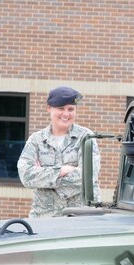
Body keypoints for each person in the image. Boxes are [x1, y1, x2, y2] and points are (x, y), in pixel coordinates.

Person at [18, 86, 101, 217]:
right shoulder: (36, 140)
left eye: (71, 109)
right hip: (45, 217)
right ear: (49, 108)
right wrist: (63, 170)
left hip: (82, 218)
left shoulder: (86, 138)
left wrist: (45, 180)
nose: (66, 114)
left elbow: (88, 177)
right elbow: (26, 176)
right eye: (61, 108)